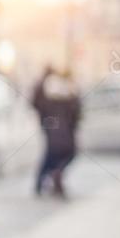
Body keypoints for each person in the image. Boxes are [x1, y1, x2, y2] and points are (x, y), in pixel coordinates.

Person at [31, 67, 81, 198]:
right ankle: (53, 178)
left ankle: (49, 180)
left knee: (52, 156)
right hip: (62, 132)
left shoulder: (49, 96)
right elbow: (76, 114)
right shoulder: (68, 97)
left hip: (53, 131)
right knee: (59, 155)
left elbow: (36, 104)